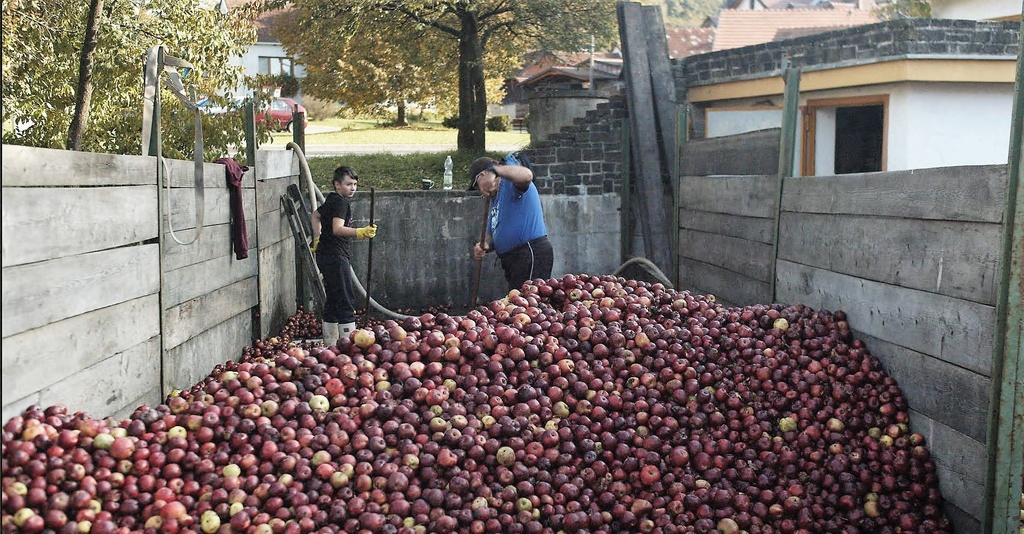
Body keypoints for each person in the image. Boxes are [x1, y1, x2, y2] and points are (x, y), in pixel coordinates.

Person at [310, 166, 377, 344]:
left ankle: (330, 344)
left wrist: (317, 239)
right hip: (335, 256)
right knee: (346, 298)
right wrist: (360, 232)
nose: (353, 188)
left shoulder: (331, 200)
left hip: (324, 254)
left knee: (332, 297)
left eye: (355, 184)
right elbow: (337, 229)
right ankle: (350, 345)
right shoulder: (341, 203)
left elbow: (315, 216)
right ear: (337, 185)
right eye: (348, 184)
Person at [469, 156, 554, 293]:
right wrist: (484, 244)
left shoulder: (510, 184)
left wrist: (494, 171)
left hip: (529, 252)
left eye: (476, 184)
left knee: (528, 305)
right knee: (517, 307)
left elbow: (527, 175)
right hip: (512, 261)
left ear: (483, 175)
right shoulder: (494, 200)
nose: (479, 190)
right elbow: (491, 232)